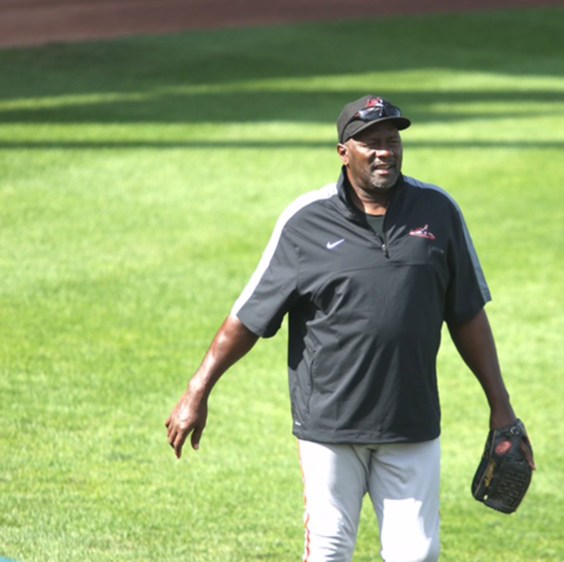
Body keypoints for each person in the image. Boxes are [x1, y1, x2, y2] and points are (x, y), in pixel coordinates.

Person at [165, 95, 535, 562]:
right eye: (371, 142)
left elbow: (467, 315)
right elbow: (247, 318)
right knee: (329, 552)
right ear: (344, 151)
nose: (386, 151)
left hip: (411, 422)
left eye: (393, 140)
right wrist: (197, 391)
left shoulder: (437, 212)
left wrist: (501, 408)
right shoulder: (305, 221)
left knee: (418, 555)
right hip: (329, 426)